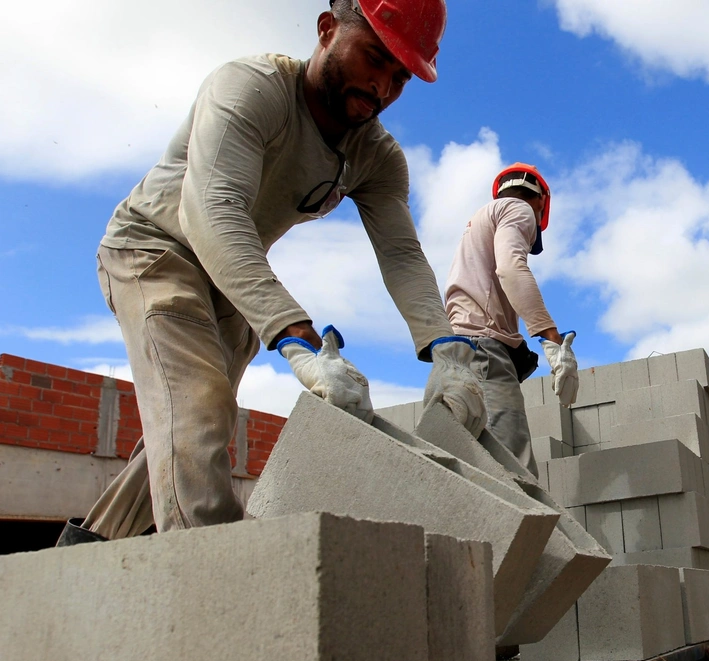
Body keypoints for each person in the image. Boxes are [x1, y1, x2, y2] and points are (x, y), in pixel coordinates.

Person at [56, 0, 486, 546]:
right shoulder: (250, 89)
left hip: (233, 279)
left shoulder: (376, 158)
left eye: (400, 76)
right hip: (154, 250)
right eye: (374, 57)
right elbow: (212, 209)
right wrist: (297, 337)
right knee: (199, 410)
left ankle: (81, 555)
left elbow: (401, 253)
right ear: (328, 29)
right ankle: (221, 581)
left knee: (184, 429)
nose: (381, 86)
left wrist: (446, 349)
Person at [443, 164, 578, 475]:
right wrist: (552, 340)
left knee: (471, 473)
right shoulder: (519, 209)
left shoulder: (479, 220)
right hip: (484, 351)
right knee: (514, 473)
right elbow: (511, 268)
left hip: (456, 352)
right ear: (542, 201)